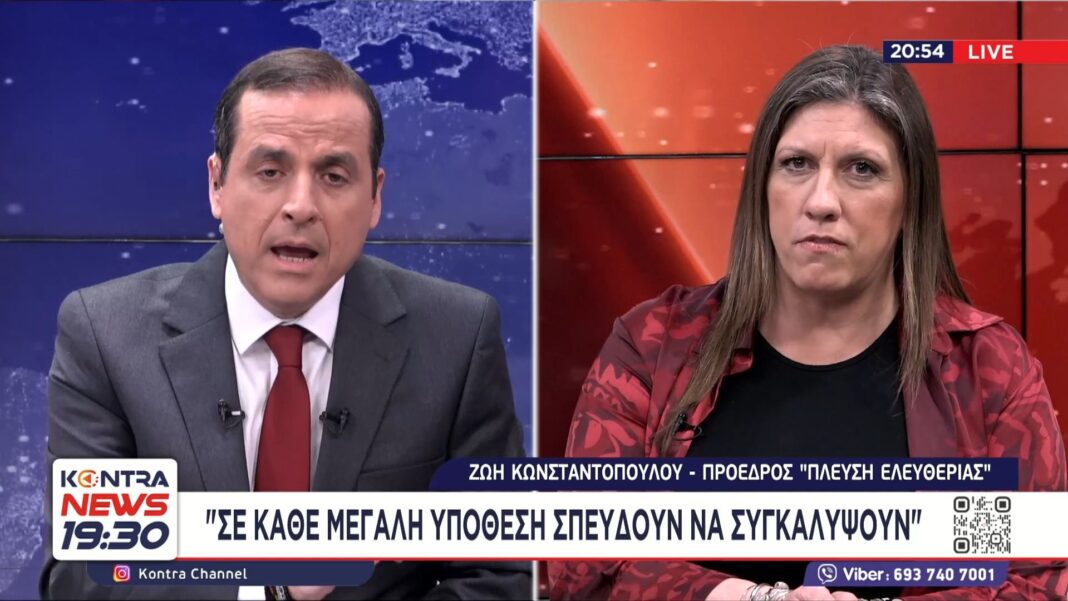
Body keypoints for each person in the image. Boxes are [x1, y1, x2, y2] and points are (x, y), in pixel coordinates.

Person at [549, 45, 1067, 601]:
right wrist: (753, 599)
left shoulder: (987, 368)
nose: (821, 201)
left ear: (910, 200)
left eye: (861, 169)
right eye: (797, 164)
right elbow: (586, 565)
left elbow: (1035, 581)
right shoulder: (652, 347)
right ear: (762, 187)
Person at [42, 48, 529, 600]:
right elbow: (85, 575)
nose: (301, 206)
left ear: (375, 197)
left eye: (334, 176)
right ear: (217, 185)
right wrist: (263, 587)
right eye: (270, 172)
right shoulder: (107, 335)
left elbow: (500, 575)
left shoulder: (457, 337)